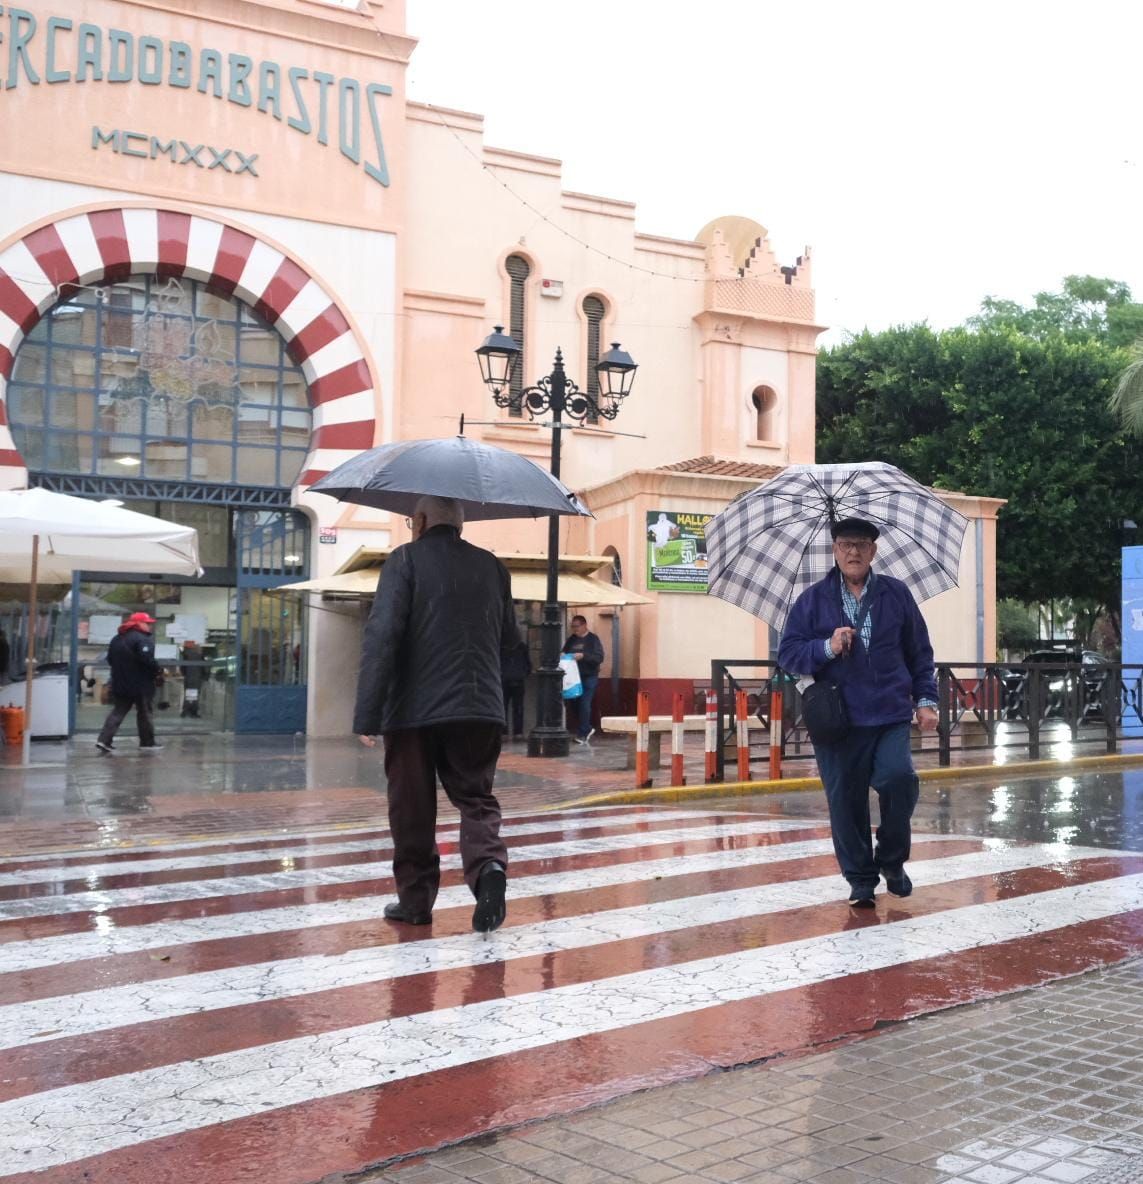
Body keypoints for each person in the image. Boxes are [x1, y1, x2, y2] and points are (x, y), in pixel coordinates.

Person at [354, 495, 520, 933]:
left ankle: (414, 902)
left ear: (422, 520)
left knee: (411, 805)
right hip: (478, 707)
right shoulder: (492, 567)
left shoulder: (404, 561)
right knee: (476, 798)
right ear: (460, 524)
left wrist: (367, 712)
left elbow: (382, 635)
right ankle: (489, 869)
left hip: (413, 710)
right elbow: (510, 644)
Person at [778, 517, 938, 908]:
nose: (854, 552)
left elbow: (920, 651)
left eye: (862, 545)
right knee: (845, 802)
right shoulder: (812, 600)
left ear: (873, 551)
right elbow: (788, 655)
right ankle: (861, 880)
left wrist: (927, 699)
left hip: (889, 713)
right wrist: (826, 648)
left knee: (900, 779)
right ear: (834, 550)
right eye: (846, 544)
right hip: (837, 720)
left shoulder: (896, 594)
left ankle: (892, 859)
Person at [96, 611, 164, 754]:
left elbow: (110, 660)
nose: (149, 627)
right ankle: (147, 742)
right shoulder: (142, 639)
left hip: (120, 683)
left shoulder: (116, 639)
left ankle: (104, 740)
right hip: (141, 684)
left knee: (118, 711)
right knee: (145, 712)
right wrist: (158, 669)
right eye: (147, 623)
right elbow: (147, 660)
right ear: (138, 624)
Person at [562, 614, 604, 744]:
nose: (575, 629)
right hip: (574, 678)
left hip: (589, 676)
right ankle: (586, 728)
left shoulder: (593, 640)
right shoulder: (571, 640)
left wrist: (583, 656)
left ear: (585, 625)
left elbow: (599, 658)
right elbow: (564, 652)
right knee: (573, 703)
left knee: (585, 704)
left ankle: (583, 734)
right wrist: (563, 654)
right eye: (573, 627)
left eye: (577, 626)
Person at [501, 636, 531, 740]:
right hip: (518, 680)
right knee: (518, 707)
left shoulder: (501, 646)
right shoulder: (522, 646)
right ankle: (518, 732)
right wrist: (524, 673)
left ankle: (503, 732)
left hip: (504, 680)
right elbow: (528, 664)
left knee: (503, 707)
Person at [180, 640, 205, 718]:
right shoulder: (198, 653)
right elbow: (203, 666)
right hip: (196, 676)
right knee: (194, 694)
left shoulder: (186, 653)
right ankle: (192, 711)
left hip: (189, 676)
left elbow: (182, 667)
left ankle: (186, 710)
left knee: (189, 693)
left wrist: (184, 674)